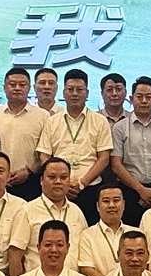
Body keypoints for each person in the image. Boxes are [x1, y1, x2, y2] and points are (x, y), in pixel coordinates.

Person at [36, 69, 113, 211]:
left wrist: (82, 183)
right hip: (57, 188)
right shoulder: (52, 121)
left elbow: (104, 158)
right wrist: (60, 181)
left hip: (90, 188)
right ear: (63, 93)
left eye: (79, 90)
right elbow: (44, 155)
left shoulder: (100, 121)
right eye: (70, 89)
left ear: (87, 93)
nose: (75, 94)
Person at [110, 75, 151, 210]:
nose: (144, 101)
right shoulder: (119, 128)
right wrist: (141, 190)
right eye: (139, 97)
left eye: (148, 97)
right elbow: (116, 165)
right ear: (131, 98)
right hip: (129, 189)